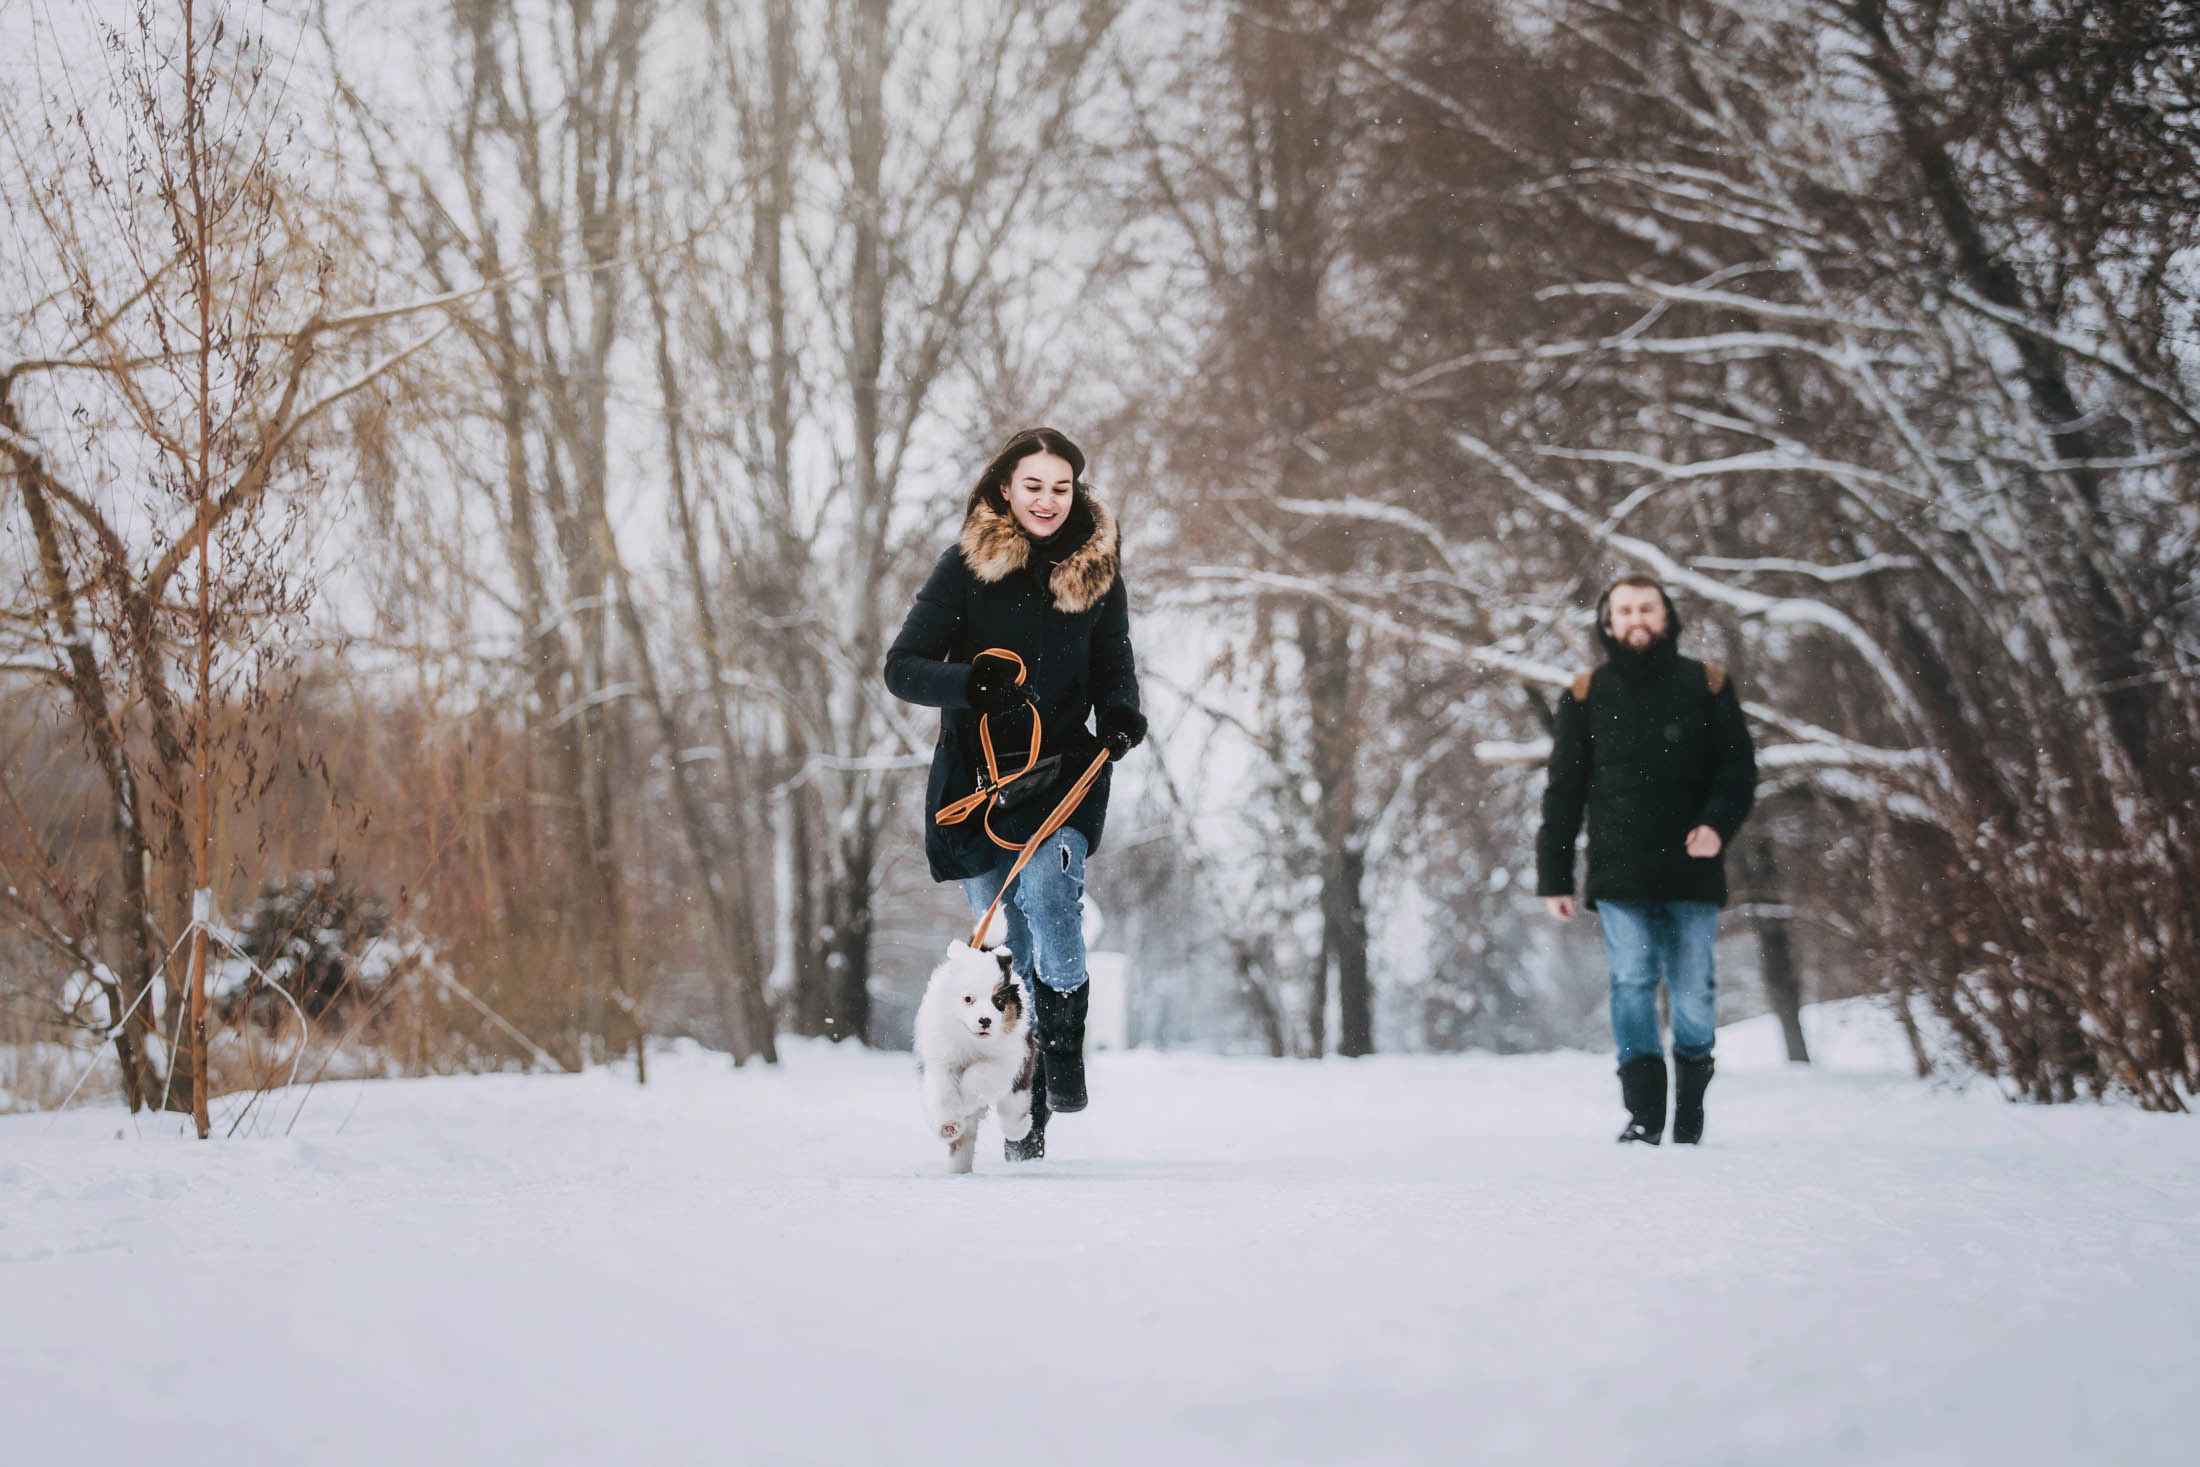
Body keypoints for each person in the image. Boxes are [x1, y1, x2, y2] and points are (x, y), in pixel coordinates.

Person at [884, 427, 1145, 1162]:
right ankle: (1024, 1113)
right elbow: (901, 667)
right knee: (1006, 952)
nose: (1047, 500)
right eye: (1033, 485)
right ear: (1006, 487)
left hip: (1063, 775)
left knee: (1051, 892)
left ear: (1076, 492)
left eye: (1060, 487)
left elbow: (1114, 676)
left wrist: (1122, 716)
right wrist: (970, 683)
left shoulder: (1097, 574)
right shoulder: (965, 569)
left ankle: (1064, 1049)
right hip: (977, 787)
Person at [1537, 575, 1756, 1144]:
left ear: (1667, 618)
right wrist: (1554, 875)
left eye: (1647, 609)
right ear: (1609, 623)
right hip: (1619, 870)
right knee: (1631, 982)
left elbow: (1737, 773)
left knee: (1693, 991)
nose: (1636, 620)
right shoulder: (1585, 694)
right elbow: (1563, 791)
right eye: (1625, 611)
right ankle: (1644, 1114)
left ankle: (1690, 1110)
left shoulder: (1707, 685)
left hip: (1692, 867)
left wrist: (1716, 826)